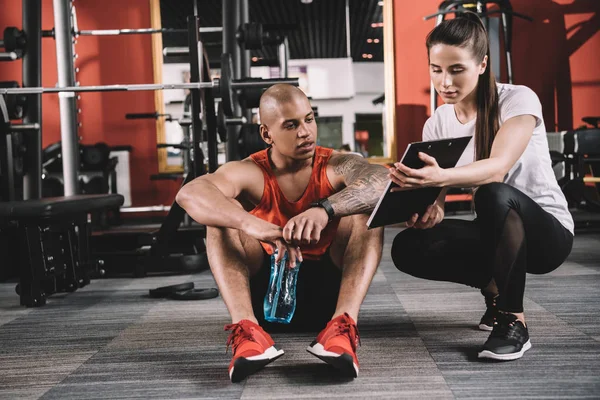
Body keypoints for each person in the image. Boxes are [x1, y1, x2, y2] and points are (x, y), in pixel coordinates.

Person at [389, 13, 574, 361]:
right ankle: (494, 293)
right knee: (407, 247)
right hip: (494, 231)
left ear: (482, 64)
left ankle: (513, 321)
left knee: (493, 192)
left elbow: (497, 167)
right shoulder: (439, 122)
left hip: (547, 235)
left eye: (456, 69)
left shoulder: (518, 100)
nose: (445, 81)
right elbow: (438, 200)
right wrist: (431, 209)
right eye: (436, 69)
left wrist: (440, 176)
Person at [176, 84, 389, 382]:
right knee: (220, 217)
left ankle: (342, 328)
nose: (305, 132)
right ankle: (248, 333)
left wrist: (324, 209)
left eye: (309, 119)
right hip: (267, 298)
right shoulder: (252, 171)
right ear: (267, 134)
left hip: (331, 294)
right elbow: (191, 193)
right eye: (291, 125)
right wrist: (254, 225)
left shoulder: (337, 164)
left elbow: (381, 181)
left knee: (367, 207)